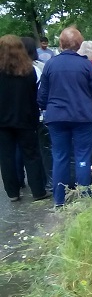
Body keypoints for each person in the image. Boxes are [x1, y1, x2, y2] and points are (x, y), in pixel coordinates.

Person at [38, 27, 92, 208]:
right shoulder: (86, 65)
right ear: (80, 44)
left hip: (56, 118)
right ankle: (85, 196)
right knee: (82, 156)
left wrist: (47, 108)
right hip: (82, 117)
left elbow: (41, 97)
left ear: (61, 43)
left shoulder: (50, 65)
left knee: (60, 157)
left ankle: (59, 199)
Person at [0, 35, 49, 202]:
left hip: (2, 121)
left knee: (6, 157)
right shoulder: (28, 71)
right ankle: (38, 190)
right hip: (26, 118)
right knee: (32, 154)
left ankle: (13, 192)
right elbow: (35, 95)